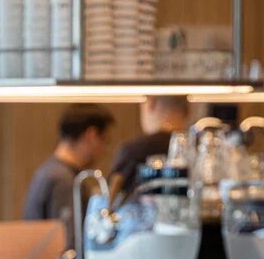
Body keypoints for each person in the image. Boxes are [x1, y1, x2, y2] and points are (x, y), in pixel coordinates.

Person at [22, 104, 113, 249]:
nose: (104, 150)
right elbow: (69, 245)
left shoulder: (48, 171)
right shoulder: (64, 180)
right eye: (105, 141)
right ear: (91, 135)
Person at [109, 95, 189, 190]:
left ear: (151, 103)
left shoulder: (133, 151)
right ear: (188, 110)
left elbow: (111, 194)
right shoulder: (195, 148)